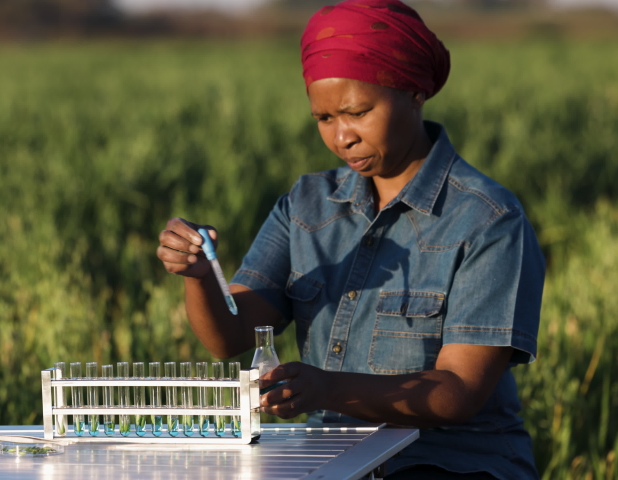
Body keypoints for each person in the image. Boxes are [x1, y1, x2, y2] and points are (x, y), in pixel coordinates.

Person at [156, 1, 544, 478]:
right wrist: (198, 276)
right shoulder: (306, 205)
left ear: (415, 91)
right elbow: (230, 336)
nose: (342, 137)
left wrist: (328, 389)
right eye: (323, 119)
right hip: (331, 460)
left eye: (358, 112)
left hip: (452, 463)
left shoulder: (487, 220)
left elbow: (459, 391)